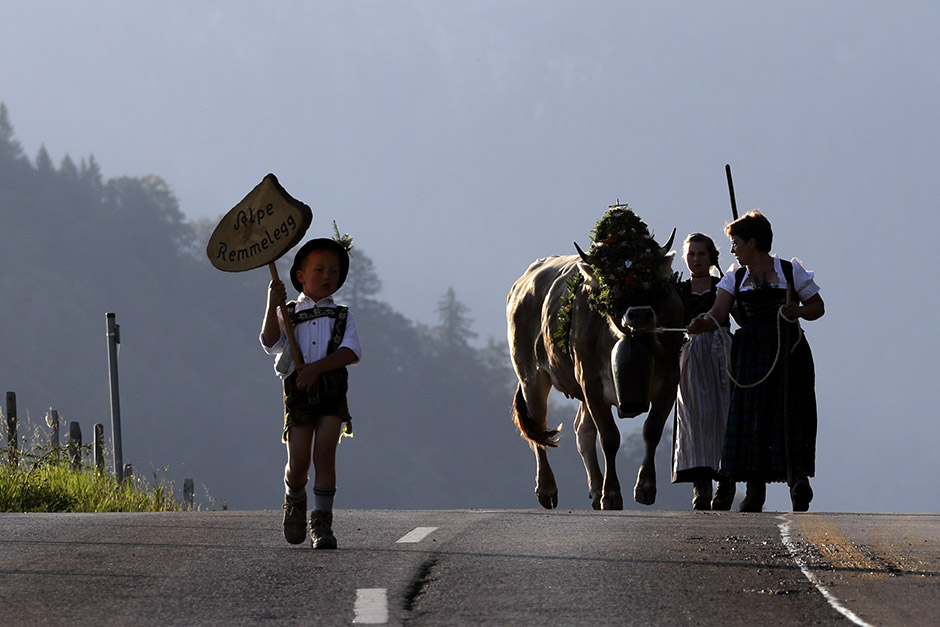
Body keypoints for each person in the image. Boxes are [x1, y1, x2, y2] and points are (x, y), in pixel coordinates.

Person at [687, 211, 824, 512]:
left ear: (752, 242)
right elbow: (718, 314)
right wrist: (702, 322)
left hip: (789, 351)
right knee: (751, 418)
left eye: (736, 243)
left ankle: (797, 480)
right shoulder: (734, 278)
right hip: (749, 355)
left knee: (790, 412)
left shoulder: (790, 272)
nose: (733, 249)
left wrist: (798, 312)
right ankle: (754, 491)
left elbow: (817, 306)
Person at [261, 238, 361, 548]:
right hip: (299, 396)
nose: (327, 275)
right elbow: (270, 343)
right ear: (300, 275)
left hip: (331, 395)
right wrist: (271, 303)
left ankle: (322, 524)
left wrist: (317, 369)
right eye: (319, 269)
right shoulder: (288, 312)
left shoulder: (341, 316)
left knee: (324, 457)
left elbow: (351, 352)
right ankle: (295, 497)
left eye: (333, 270)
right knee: (300, 460)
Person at [672, 233, 736, 510]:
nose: (696, 259)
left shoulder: (725, 286)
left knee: (723, 415)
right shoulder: (678, 290)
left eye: (701, 254)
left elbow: (736, 315)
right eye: (691, 254)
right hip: (689, 357)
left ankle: (726, 481)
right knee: (693, 417)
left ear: (711, 257)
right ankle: (701, 485)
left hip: (720, 353)